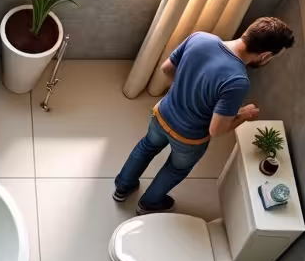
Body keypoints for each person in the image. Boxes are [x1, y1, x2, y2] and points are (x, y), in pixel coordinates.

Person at [114, 17, 295, 214]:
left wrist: (187, 86)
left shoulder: (200, 38)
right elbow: (216, 130)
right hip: (187, 138)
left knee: (147, 146)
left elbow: (166, 69)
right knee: (176, 169)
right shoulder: (237, 81)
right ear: (266, 55)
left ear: (249, 31)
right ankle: (148, 204)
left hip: (161, 115)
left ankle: (122, 188)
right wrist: (243, 114)